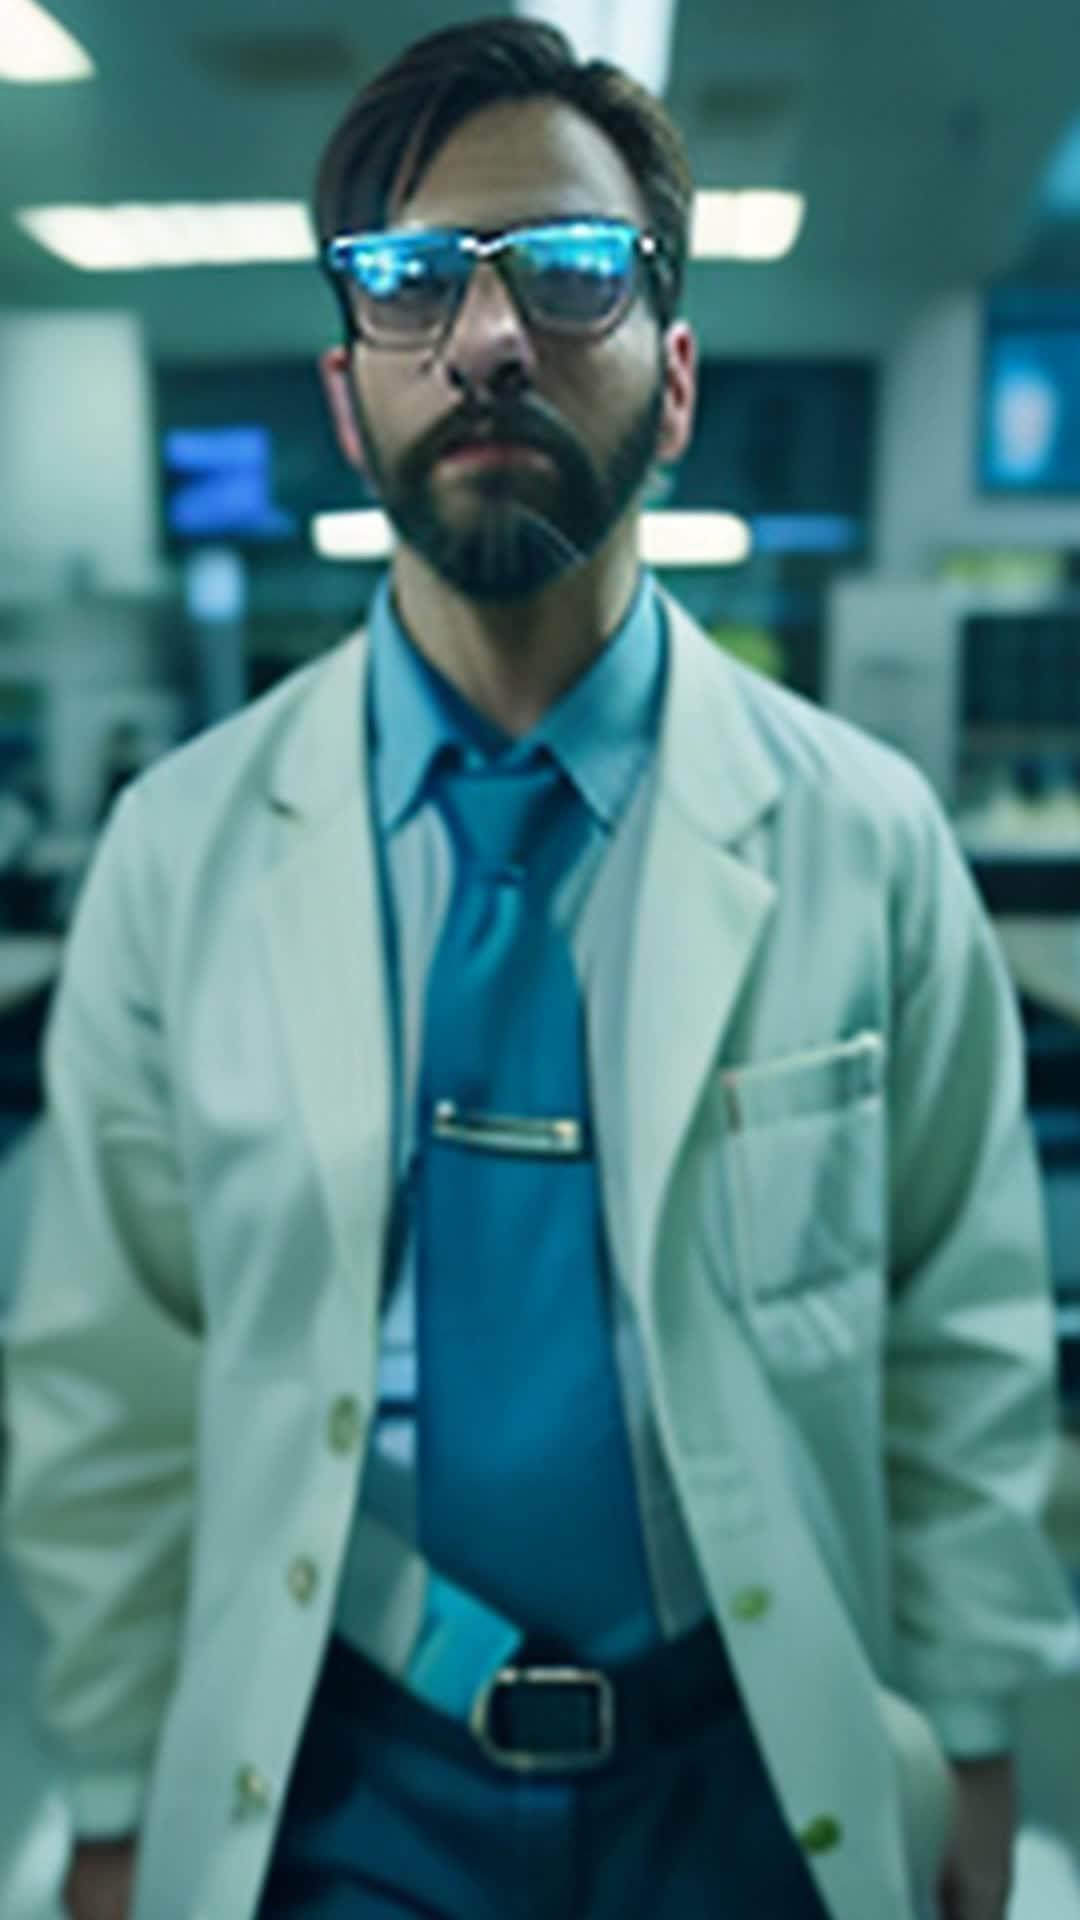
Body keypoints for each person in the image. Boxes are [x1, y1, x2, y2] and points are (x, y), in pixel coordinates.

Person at [3, 18, 1078, 1920]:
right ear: (351, 401)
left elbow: (963, 1341)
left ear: (671, 384)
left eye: (569, 272)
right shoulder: (181, 857)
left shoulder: (866, 838)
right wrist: (103, 1789)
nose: (488, 338)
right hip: (342, 1788)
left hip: (749, 1772)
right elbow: (110, 1388)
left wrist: (981, 1732)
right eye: (412, 285)